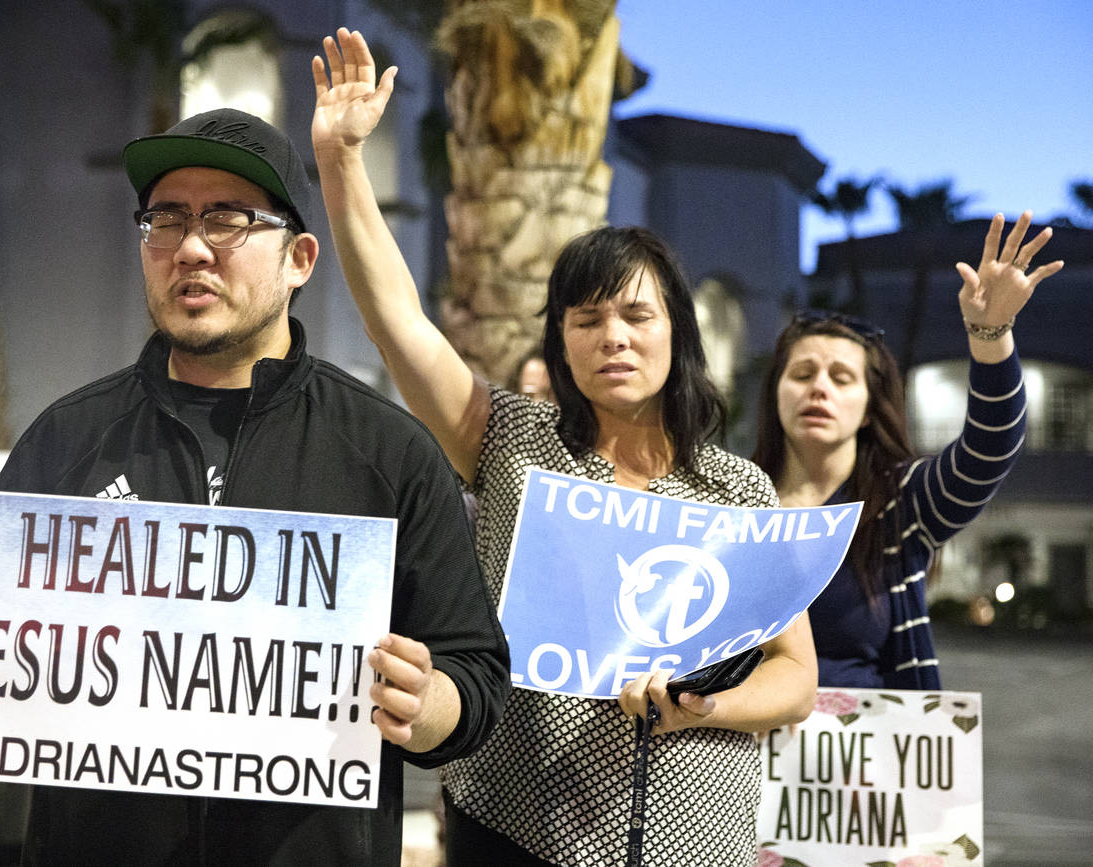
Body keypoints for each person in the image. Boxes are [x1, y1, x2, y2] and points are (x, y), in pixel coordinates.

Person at [0, 104, 510, 865]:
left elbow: (476, 683)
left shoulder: (388, 455)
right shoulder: (66, 439)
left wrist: (425, 704)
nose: (190, 248)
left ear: (300, 259)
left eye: (227, 219)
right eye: (165, 220)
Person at [311, 28, 816, 866]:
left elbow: (795, 675)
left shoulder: (739, 491)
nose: (612, 337)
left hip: (695, 840)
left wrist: (703, 707)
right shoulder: (512, 440)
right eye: (587, 320)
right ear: (561, 342)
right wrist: (342, 162)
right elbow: (398, 322)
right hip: (514, 824)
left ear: (676, 333)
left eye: (635, 315)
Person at [751, 212, 1063, 689]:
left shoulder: (901, 501)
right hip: (745, 755)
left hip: (870, 757)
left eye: (841, 378)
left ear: (871, 407)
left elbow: (991, 447)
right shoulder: (735, 501)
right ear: (776, 393)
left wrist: (991, 334)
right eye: (802, 374)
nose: (819, 389)